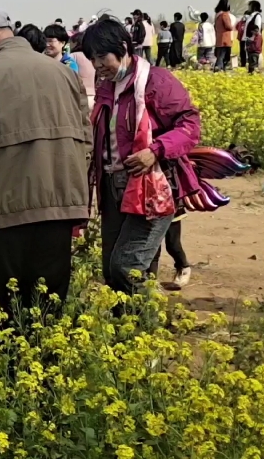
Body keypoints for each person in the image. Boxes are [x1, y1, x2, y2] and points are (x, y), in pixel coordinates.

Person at [0, 5, 91, 319]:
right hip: (60, 208)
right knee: (46, 309)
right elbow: (84, 140)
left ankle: (2, 369)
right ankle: (46, 365)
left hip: (3, 212)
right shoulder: (63, 71)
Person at [84, 17, 201, 299]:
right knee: (113, 270)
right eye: (93, 59)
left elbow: (190, 125)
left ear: (123, 48)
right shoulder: (106, 88)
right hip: (113, 186)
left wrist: (155, 150)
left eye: (102, 57)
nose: (98, 65)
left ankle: (150, 317)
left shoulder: (155, 81)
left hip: (151, 186)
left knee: (127, 266)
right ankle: (131, 327)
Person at [69, 32, 97, 109]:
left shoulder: (72, 56)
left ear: (75, 43)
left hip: (80, 97)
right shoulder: (93, 57)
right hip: (94, 96)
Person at [213, 0, 234, 71]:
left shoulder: (217, 15)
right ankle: (219, 68)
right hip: (225, 39)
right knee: (224, 56)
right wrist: (232, 27)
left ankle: (218, 68)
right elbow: (228, 26)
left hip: (219, 39)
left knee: (220, 55)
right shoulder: (224, 15)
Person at [242, 0, 263, 73]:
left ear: (253, 7)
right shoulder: (251, 15)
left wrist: (253, 38)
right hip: (249, 39)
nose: (248, 7)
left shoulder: (257, 16)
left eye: (249, 6)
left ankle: (253, 71)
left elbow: (257, 28)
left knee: (253, 57)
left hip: (253, 40)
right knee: (250, 58)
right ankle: (251, 72)